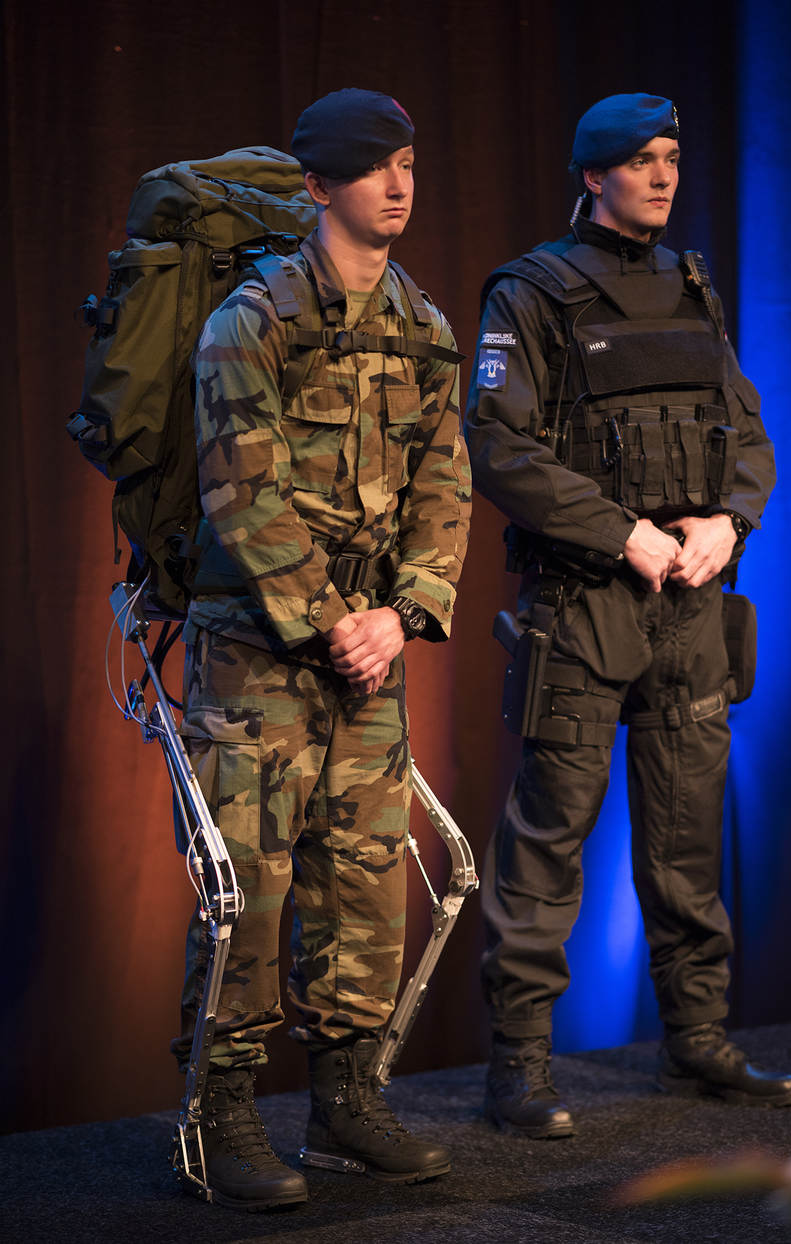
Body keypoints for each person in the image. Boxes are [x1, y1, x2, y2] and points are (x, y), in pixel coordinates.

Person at [464, 93, 791, 1140]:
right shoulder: (532, 291)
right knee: (547, 842)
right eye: (640, 160)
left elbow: (746, 430)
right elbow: (499, 446)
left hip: (690, 607)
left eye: (671, 157)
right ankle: (519, 1065)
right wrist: (624, 535)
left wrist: (728, 522)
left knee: (686, 839)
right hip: (585, 604)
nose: (662, 176)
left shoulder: (691, 286)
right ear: (592, 174)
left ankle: (695, 1037)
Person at [174, 88, 471, 1209]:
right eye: (372, 166)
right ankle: (219, 1115)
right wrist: (331, 616)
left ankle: (346, 1100)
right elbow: (238, 487)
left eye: (407, 163)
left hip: (370, 649)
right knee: (247, 883)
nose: (397, 184)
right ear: (316, 187)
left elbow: (445, 481)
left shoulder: (422, 324)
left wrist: (404, 611)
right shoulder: (250, 320)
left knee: (364, 875)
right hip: (257, 647)